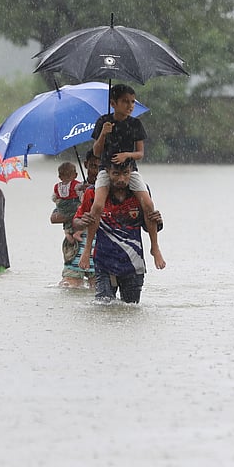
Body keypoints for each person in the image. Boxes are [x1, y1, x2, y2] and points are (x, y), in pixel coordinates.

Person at [80, 84, 165, 271]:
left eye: (132, 102)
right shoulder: (103, 121)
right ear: (113, 103)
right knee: (97, 206)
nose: (130, 106)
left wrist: (127, 155)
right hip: (106, 169)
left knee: (148, 204)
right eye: (125, 102)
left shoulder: (135, 124)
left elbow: (140, 153)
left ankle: (155, 247)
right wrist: (103, 133)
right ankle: (87, 250)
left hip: (129, 170)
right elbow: (96, 152)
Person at [82, 159, 156, 303]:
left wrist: (157, 221)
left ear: (131, 173)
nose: (121, 179)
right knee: (103, 307)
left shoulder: (140, 192)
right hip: (104, 262)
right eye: (116, 174)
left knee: (131, 309)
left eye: (125, 173)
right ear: (107, 172)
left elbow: (147, 225)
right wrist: (83, 222)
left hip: (133, 264)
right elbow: (77, 222)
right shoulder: (94, 193)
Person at [57, 151, 99, 288]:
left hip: (100, 251)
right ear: (86, 165)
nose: (96, 171)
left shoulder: (110, 191)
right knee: (69, 286)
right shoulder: (74, 190)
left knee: (99, 289)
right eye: (93, 166)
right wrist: (80, 210)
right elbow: (55, 216)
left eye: (100, 167)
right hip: (75, 250)